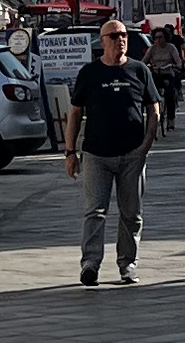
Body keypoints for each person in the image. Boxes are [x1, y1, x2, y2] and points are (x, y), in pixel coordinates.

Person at [64, 19, 160, 286]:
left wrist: (147, 144)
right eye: (115, 35)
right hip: (96, 154)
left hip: (133, 154)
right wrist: (70, 152)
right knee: (95, 211)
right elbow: (75, 113)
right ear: (102, 41)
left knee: (131, 213)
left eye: (124, 35)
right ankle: (90, 264)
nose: (121, 39)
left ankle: (127, 265)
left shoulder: (139, 70)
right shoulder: (90, 73)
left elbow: (154, 109)